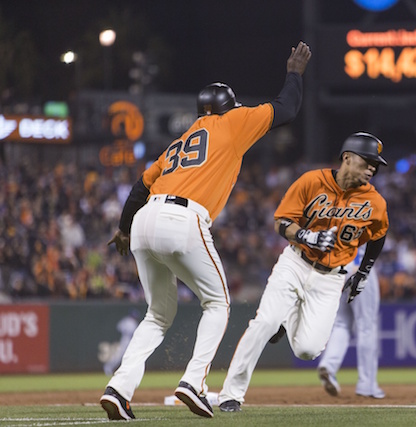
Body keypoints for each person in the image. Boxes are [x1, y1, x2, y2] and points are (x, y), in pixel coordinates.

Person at [99, 41, 312, 421]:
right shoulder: (234, 120)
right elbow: (288, 108)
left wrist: (123, 228)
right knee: (217, 304)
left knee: (157, 314)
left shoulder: (177, 142)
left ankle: (119, 388)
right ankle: (193, 382)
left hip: (145, 220)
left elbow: (139, 187)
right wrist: (294, 73)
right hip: (184, 219)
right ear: (229, 106)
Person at [217, 132, 390, 412]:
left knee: (308, 351)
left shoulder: (375, 202)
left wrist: (364, 272)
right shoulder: (311, 181)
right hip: (296, 263)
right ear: (347, 157)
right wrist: (307, 236)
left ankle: (287, 320)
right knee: (264, 323)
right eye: (368, 161)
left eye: (376, 165)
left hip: (332, 277)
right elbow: (282, 222)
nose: (372, 168)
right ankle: (231, 394)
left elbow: (378, 235)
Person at [317, 247, 385, 398]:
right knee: (366, 327)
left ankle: (328, 365)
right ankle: (367, 385)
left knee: (340, 324)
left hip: (336, 267)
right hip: (360, 263)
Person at [103, 309, 141, 376]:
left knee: (129, 357)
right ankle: (108, 367)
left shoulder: (133, 322)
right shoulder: (127, 320)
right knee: (119, 356)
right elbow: (119, 327)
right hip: (125, 340)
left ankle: (128, 372)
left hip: (131, 341)